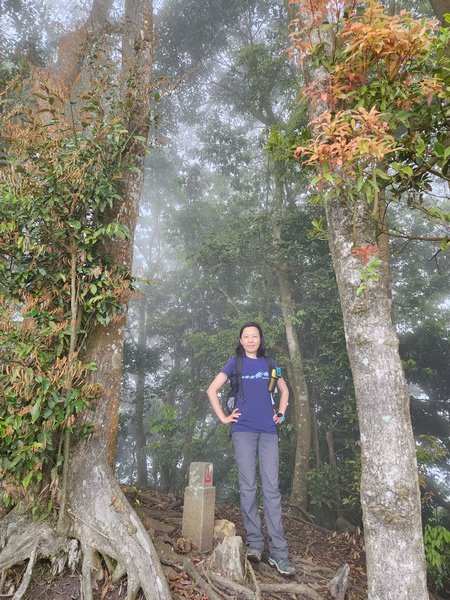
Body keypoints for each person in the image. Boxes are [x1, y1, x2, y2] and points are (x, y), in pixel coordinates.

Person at [207, 322, 295, 576]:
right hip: (243, 430)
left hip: (268, 430)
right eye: (246, 336)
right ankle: (255, 544)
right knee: (248, 487)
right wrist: (224, 417)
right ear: (241, 340)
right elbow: (212, 389)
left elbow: (284, 389)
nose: (250, 340)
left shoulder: (270, 363)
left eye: (254, 336)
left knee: (272, 490)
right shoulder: (235, 363)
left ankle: (279, 554)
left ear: (260, 339)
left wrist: (281, 412)